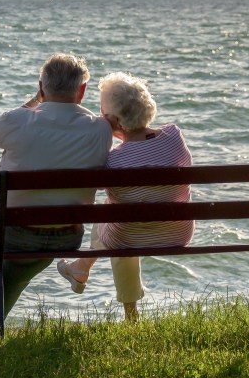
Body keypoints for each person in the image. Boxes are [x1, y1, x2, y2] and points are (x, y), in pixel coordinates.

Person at [0, 53, 112, 336]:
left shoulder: (19, 120)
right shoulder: (100, 129)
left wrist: (35, 102)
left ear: (41, 86)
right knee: (31, 253)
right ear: (82, 90)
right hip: (67, 234)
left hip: (12, 233)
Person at [56, 71, 194, 321]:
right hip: (178, 232)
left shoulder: (114, 161)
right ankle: (80, 269)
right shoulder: (174, 136)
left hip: (128, 237)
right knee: (120, 214)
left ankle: (91, 278)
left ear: (114, 121)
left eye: (101, 112)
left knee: (113, 217)